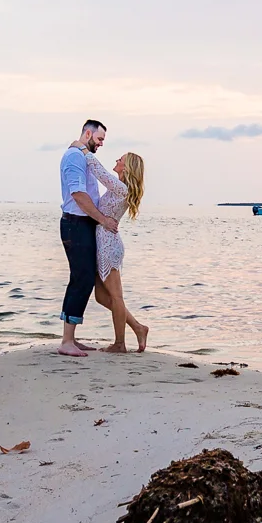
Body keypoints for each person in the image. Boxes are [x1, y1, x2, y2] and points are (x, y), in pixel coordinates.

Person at [57, 120, 121, 358]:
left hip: (82, 224)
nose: (101, 144)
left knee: (82, 279)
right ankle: (66, 341)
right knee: (81, 279)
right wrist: (103, 220)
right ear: (88, 133)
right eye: (100, 139)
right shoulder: (74, 157)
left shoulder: (83, 156)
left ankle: (71, 338)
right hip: (75, 224)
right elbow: (79, 194)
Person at [89, 152, 148, 352]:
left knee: (116, 297)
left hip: (108, 246)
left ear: (127, 167)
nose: (116, 161)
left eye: (120, 160)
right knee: (101, 297)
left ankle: (120, 343)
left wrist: (84, 151)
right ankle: (138, 328)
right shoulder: (121, 188)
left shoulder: (121, 188)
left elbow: (100, 172)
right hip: (103, 243)